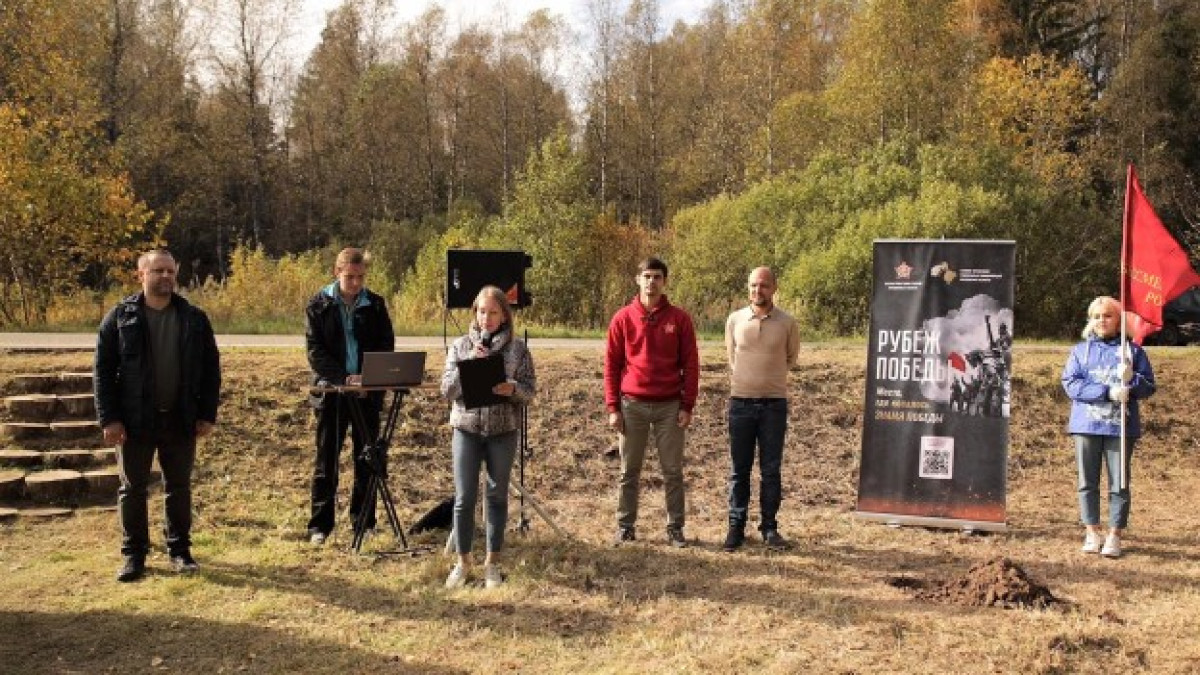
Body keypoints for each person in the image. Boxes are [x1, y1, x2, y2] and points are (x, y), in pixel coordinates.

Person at [94, 248, 221, 582]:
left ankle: (180, 551)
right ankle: (134, 555)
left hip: (181, 418)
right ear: (141, 275)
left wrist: (206, 413)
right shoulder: (119, 317)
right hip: (134, 420)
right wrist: (109, 418)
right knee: (132, 489)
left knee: (178, 487)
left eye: (170, 271)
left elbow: (211, 370)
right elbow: (102, 372)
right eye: (158, 271)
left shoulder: (194, 318)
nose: (165, 276)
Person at [440, 286, 536, 588]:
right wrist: (469, 364)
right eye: (482, 312)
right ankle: (463, 562)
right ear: (475, 312)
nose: (487, 318)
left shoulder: (517, 350)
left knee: (496, 496)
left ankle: (492, 563)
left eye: (493, 312)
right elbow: (447, 390)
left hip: (502, 431)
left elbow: (530, 392)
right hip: (467, 429)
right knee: (464, 498)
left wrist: (513, 389)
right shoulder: (460, 346)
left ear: (504, 316)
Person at [605, 257, 699, 548]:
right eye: (646, 276)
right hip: (632, 405)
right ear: (638, 280)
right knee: (629, 471)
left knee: (672, 471)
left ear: (664, 281)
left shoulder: (679, 319)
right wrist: (613, 407)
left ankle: (675, 528)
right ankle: (625, 526)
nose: (651, 282)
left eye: (657, 276)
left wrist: (687, 405)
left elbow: (691, 365)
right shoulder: (622, 318)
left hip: (669, 406)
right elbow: (612, 365)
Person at [305, 247, 395, 546]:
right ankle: (320, 526)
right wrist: (344, 379)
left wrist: (370, 378)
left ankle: (364, 522)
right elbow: (315, 351)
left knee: (367, 458)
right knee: (326, 460)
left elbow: (385, 344)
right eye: (350, 277)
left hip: (367, 393)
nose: (356, 283)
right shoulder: (318, 305)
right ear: (337, 273)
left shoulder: (376, 304)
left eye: (360, 277)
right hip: (332, 393)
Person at [1061, 295, 1156, 558]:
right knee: (1087, 481)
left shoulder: (1133, 352)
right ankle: (1092, 531)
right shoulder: (1080, 351)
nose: (1102, 321)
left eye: (1107, 315)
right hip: (1087, 425)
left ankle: (1115, 534)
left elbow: (1149, 386)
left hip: (1120, 427)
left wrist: (1132, 381)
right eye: (1097, 316)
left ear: (1118, 320)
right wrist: (1107, 392)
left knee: (1119, 482)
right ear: (1090, 320)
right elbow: (1071, 384)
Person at [723, 267, 800, 552]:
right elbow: (732, 357)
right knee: (738, 471)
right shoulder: (734, 320)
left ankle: (769, 528)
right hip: (740, 403)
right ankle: (736, 527)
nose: (758, 290)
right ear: (748, 288)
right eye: (754, 285)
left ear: (774, 288)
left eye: (764, 285)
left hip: (773, 406)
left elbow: (790, 358)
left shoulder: (787, 323)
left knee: (771, 470)